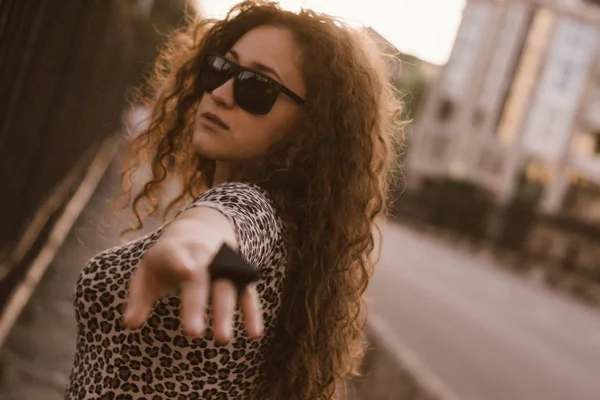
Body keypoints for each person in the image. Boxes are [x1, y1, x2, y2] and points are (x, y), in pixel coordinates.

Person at [65, 1, 403, 399]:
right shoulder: (292, 229)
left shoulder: (253, 206)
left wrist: (192, 242)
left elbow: (228, 222)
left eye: (258, 87)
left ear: (310, 129)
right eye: (222, 68)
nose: (222, 93)